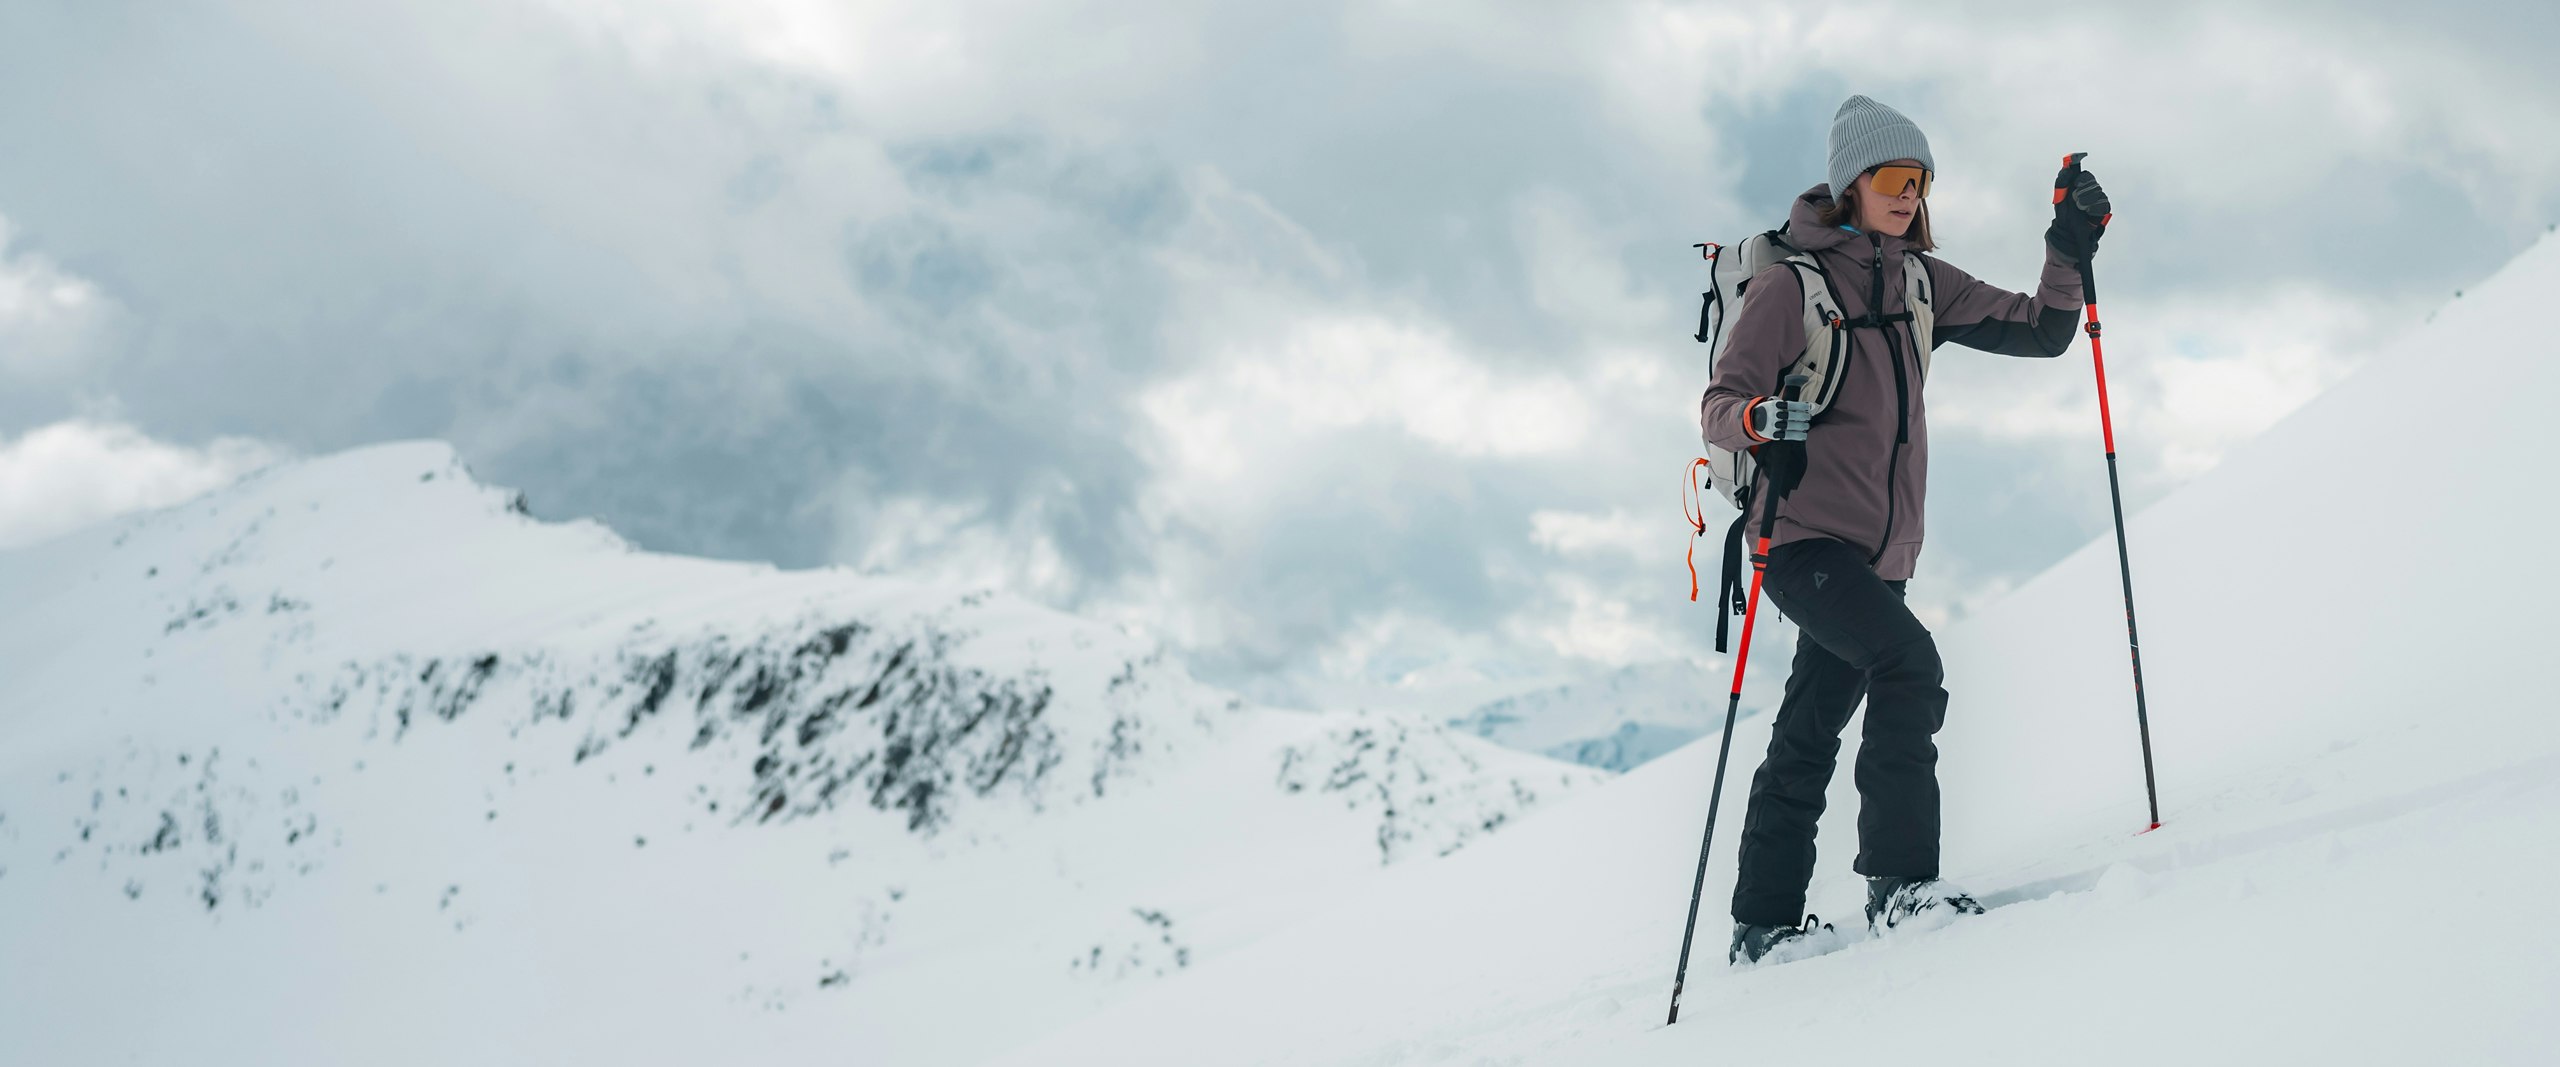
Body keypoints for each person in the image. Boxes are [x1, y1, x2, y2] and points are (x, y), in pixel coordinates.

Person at [1699, 95, 2111, 965]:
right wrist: (1760, 420)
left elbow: (2043, 331)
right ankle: (1900, 885)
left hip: (1882, 555)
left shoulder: (1922, 282)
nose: (1909, 192)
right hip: (1801, 540)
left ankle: (1760, 926)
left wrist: (2066, 248)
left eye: (1920, 178)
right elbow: (1719, 405)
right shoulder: (1790, 287)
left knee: (1809, 727)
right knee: (1908, 663)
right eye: (1893, 176)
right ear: (1852, 183)